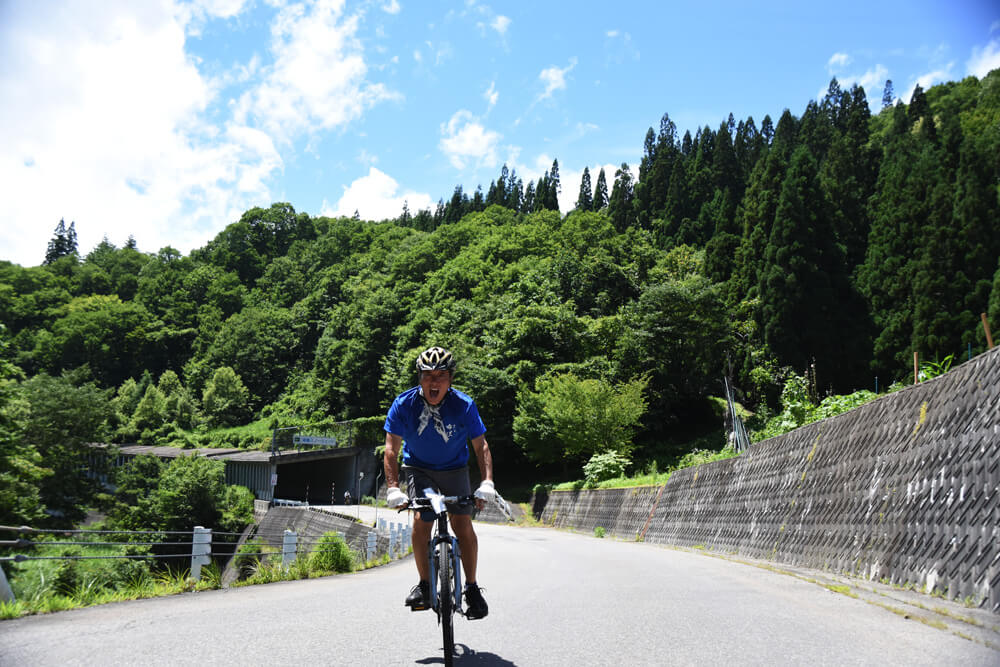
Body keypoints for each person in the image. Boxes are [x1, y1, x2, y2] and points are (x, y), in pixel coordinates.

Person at [383, 346, 495, 619]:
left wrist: (487, 482)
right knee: (422, 522)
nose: (434, 382)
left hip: (455, 469)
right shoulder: (403, 404)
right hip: (418, 469)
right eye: (428, 375)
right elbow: (390, 449)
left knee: (462, 523)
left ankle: (471, 588)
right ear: (419, 378)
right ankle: (424, 584)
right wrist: (393, 487)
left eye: (441, 375)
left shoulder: (464, 405)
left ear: (450, 379)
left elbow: (480, 446)